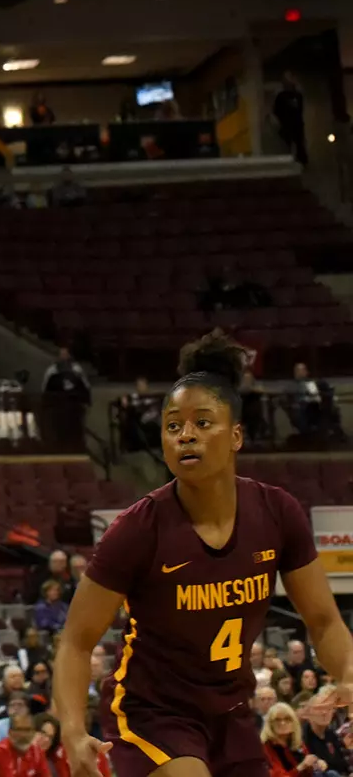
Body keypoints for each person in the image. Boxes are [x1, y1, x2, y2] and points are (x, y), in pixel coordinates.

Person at [54, 331, 353, 777]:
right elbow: (76, 641)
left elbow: (325, 621)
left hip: (231, 713)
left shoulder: (277, 513)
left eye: (201, 423)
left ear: (236, 436)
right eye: (173, 426)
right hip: (152, 712)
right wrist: (73, 731)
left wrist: (348, 675)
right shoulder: (137, 529)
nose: (185, 436)